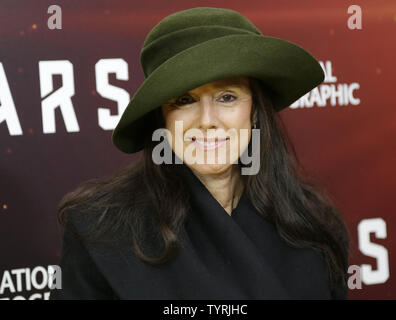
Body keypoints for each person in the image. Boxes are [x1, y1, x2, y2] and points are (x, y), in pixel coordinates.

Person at [50, 7, 350, 300]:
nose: (207, 119)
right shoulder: (100, 229)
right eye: (184, 99)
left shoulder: (314, 223)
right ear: (162, 118)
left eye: (227, 97)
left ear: (256, 111)